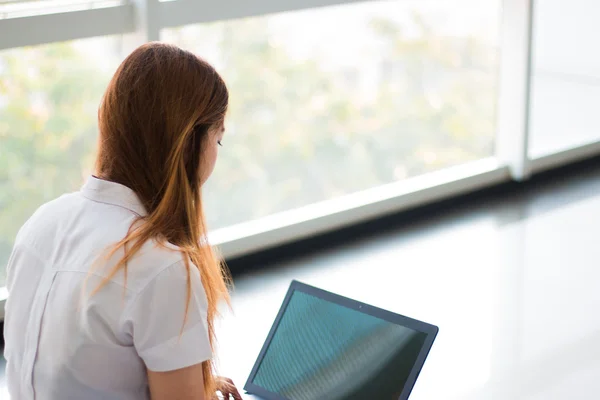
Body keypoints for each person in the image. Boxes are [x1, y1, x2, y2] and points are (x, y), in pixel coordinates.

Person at [4, 42, 242, 400]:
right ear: (188, 144)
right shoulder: (162, 268)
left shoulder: (41, 224)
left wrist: (194, 386)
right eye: (218, 141)